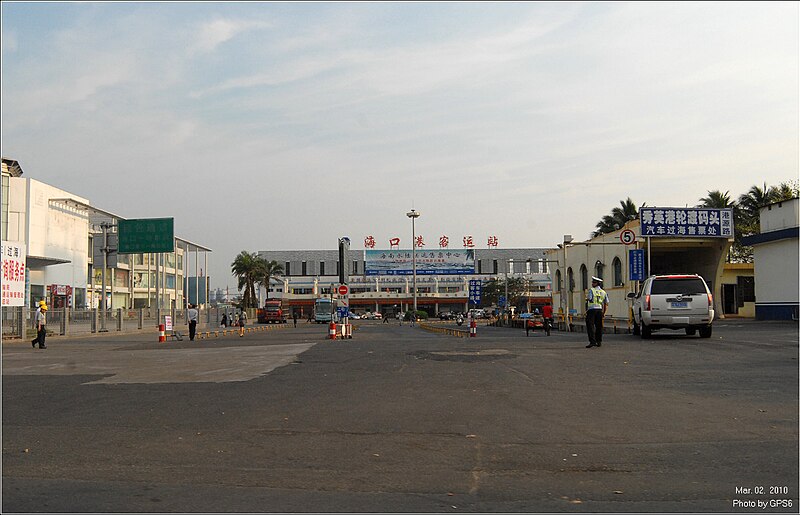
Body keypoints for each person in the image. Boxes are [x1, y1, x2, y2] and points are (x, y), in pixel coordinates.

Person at [585, 276, 608, 348]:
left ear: (597, 283)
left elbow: (589, 299)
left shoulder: (591, 290)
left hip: (591, 310)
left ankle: (592, 341)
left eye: (594, 282)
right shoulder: (603, 292)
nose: (592, 283)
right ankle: (599, 341)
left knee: (590, 326)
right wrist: (604, 313)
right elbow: (606, 303)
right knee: (599, 326)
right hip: (599, 310)